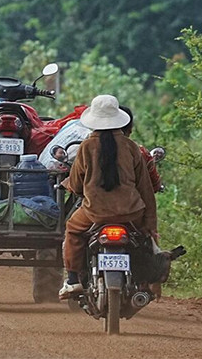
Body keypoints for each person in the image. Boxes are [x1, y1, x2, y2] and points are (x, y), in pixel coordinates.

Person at [59, 94, 157, 299]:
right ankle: (145, 281)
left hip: (95, 213)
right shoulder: (131, 147)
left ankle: (73, 280)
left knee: (73, 230)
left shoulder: (87, 146)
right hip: (131, 213)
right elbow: (146, 189)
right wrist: (150, 224)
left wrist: (75, 188)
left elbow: (76, 184)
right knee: (144, 239)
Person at [119, 105, 164, 193]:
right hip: (130, 205)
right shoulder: (140, 152)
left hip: (93, 205)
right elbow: (154, 184)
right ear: (130, 129)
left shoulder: (88, 149)